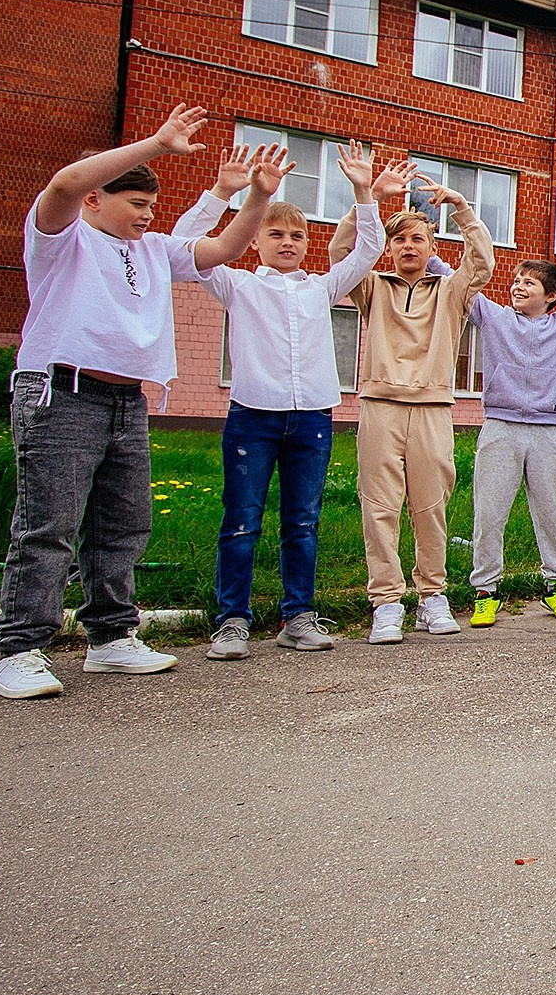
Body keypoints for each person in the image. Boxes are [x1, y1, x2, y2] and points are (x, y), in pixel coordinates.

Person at [0, 105, 281, 700]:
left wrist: (256, 197)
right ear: (96, 200)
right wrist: (157, 144)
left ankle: (110, 637)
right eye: (137, 205)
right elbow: (65, 183)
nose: (149, 217)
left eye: (152, 208)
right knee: (49, 526)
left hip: (126, 400)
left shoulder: (153, 252)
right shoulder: (60, 238)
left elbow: (222, 247)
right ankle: (18, 648)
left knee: (122, 524)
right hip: (62, 394)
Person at [172, 141, 414, 659]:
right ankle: (232, 620)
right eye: (276, 233)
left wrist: (362, 190)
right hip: (252, 420)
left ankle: (298, 616)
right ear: (254, 238)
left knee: (302, 521)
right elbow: (184, 245)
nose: (288, 241)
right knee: (242, 521)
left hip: (311, 420)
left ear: (308, 243)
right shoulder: (235, 283)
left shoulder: (322, 288)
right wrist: (229, 196)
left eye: (297, 235)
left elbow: (368, 248)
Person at [328, 173, 494, 644]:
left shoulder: (449, 291)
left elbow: (481, 265)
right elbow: (339, 257)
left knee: (430, 505)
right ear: (387, 247)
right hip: (379, 405)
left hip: (432, 408)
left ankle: (432, 597)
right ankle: (385, 602)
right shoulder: (373, 287)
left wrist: (461, 206)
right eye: (397, 240)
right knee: (379, 505)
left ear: (429, 245)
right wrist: (371, 200)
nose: (406, 247)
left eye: (416, 239)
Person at [462, 221, 556, 629]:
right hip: (500, 428)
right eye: (517, 280)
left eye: (529, 282)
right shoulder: (492, 317)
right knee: (489, 512)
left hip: (548, 431)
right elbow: (455, 283)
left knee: (551, 511)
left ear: (552, 296)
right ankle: (486, 591)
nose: (519, 287)